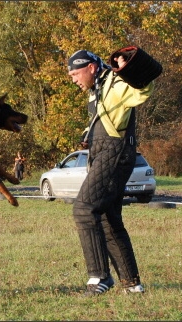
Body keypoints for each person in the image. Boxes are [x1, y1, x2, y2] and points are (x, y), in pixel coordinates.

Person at [67, 48, 162, 296]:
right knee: (109, 220)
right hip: (105, 152)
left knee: (84, 209)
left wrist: (128, 68)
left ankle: (99, 277)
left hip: (115, 153)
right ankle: (132, 284)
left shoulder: (115, 80)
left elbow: (143, 91)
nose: (74, 80)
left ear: (90, 68)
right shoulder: (96, 90)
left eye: (75, 74)